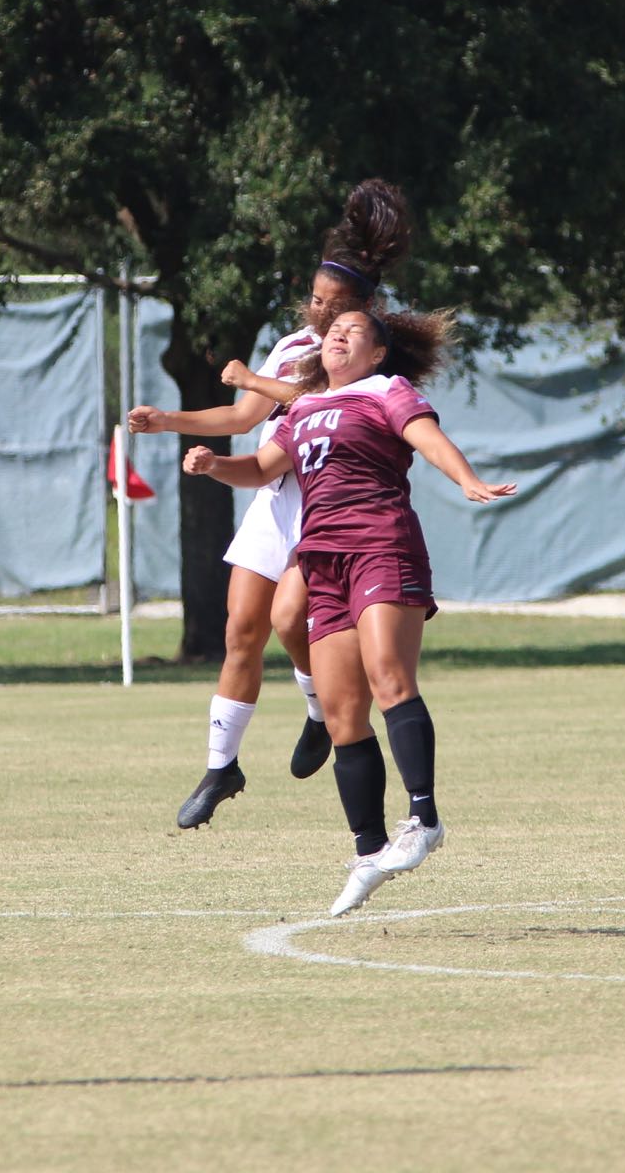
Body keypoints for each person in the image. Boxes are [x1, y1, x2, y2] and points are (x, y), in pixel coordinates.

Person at [182, 305, 514, 916]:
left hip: (381, 543)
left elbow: (429, 439)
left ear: (378, 353)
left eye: (354, 331)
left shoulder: (386, 390)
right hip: (320, 561)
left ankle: (424, 818)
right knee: (340, 716)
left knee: (389, 672)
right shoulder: (302, 406)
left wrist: (466, 478)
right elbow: (260, 469)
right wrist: (213, 467)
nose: (338, 334)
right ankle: (368, 852)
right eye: (335, 330)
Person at [126, 178, 413, 828]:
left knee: (291, 619)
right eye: (314, 299)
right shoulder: (290, 348)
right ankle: (220, 766)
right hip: (272, 500)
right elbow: (243, 414)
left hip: (325, 506)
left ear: (362, 310)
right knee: (240, 632)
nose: (319, 314)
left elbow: (314, 402)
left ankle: (318, 711)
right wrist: (167, 420)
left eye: (333, 305)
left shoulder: (366, 356)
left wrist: (252, 379)